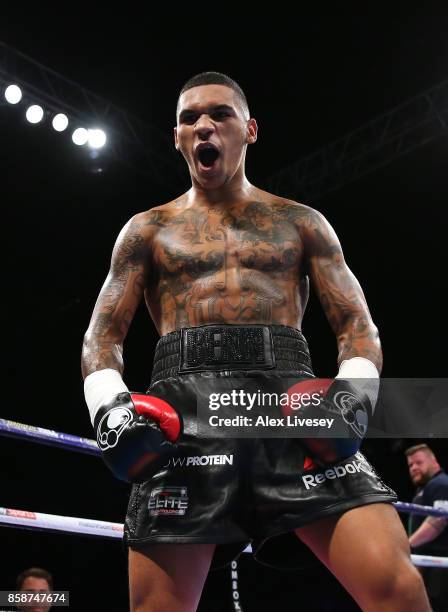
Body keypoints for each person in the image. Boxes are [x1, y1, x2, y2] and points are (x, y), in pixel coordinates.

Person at [81, 71, 430, 611]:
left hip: (288, 408)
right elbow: (102, 337)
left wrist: (354, 396)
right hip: (185, 413)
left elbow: (357, 326)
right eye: (188, 118)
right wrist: (110, 409)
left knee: (398, 589)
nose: (203, 126)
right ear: (176, 138)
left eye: (219, 114)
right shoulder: (146, 231)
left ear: (250, 130)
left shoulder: (301, 222)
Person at [406, 443, 448, 611]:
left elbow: (438, 521)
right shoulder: (424, 489)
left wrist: (406, 545)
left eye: (419, 462)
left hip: (440, 565)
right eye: (410, 465)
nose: (414, 467)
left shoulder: (441, 483)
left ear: (434, 462)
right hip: (429, 565)